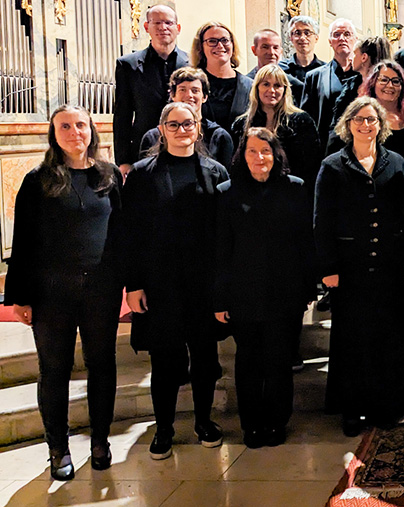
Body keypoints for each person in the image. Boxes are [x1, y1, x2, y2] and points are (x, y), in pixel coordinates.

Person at [5, 105, 124, 480]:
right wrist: (18, 296)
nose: (75, 132)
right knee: (54, 370)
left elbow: (122, 235)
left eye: (81, 125)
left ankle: (101, 441)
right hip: (50, 291)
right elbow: (22, 242)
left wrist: (128, 281)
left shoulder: (109, 176)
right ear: (53, 134)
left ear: (92, 130)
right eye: (66, 126)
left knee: (102, 365)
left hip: (100, 289)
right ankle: (58, 448)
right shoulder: (37, 180)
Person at [122, 102, 230, 460]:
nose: (182, 130)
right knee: (165, 361)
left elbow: (223, 235)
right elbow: (131, 234)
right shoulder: (141, 175)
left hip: (203, 284)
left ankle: (203, 421)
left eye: (188, 124)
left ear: (198, 128)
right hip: (160, 284)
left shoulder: (215, 172)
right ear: (161, 129)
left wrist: (222, 288)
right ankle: (164, 427)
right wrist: (134, 284)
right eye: (174, 124)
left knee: (203, 357)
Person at [315, 97, 404, 436]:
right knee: (353, 340)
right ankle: (353, 409)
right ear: (348, 123)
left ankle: (386, 407)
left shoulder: (397, 162)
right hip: (349, 267)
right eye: (358, 119)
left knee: (389, 337)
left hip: (390, 266)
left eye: (371, 119)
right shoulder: (332, 165)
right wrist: (328, 266)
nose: (365, 125)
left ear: (380, 125)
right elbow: (322, 221)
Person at [214, 128, 315, 448]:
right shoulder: (226, 193)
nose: (260, 158)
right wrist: (220, 297)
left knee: (279, 361)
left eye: (266, 151)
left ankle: (276, 421)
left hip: (284, 293)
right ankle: (251, 425)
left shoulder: (295, 188)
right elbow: (220, 251)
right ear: (242, 156)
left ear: (276, 155)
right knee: (248, 362)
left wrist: (306, 290)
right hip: (243, 294)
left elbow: (305, 244)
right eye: (253, 151)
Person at [113, 5, 186, 174]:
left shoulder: (193, 63)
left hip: (184, 146)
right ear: (146, 27)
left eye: (168, 22)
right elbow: (122, 116)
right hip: (143, 151)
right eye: (157, 22)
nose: (163, 27)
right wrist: (123, 161)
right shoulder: (128, 65)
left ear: (178, 28)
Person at [233, 64, 321, 188]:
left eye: (277, 85)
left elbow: (312, 166)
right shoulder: (241, 124)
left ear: (285, 89)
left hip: (291, 192)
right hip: (252, 192)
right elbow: (237, 165)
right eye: (266, 84)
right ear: (257, 88)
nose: (272, 90)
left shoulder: (302, 121)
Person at [139, 67, 235, 169]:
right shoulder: (152, 137)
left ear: (205, 97)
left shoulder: (219, 137)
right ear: (173, 95)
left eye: (195, 90)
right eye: (182, 90)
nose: (189, 95)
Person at [348, 60, 404, 163]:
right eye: (384, 80)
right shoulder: (359, 119)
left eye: (395, 81)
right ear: (373, 83)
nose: (390, 85)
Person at [189, 21, 252, 142]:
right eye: (212, 41)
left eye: (225, 40)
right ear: (201, 47)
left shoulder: (250, 86)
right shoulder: (192, 85)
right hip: (201, 156)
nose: (220, 46)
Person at [301, 18, 358, 145]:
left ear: (355, 39)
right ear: (330, 42)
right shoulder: (314, 76)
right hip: (326, 146)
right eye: (336, 35)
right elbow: (307, 119)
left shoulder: (366, 75)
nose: (342, 38)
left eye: (347, 34)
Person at [331, 35, 392, 125]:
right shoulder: (350, 85)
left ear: (364, 57)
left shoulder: (386, 87)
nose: (351, 58)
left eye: (355, 54)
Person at [278, 16, 326, 104]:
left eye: (307, 33)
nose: (302, 38)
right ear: (291, 38)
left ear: (316, 38)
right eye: (297, 33)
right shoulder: (281, 69)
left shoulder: (326, 70)